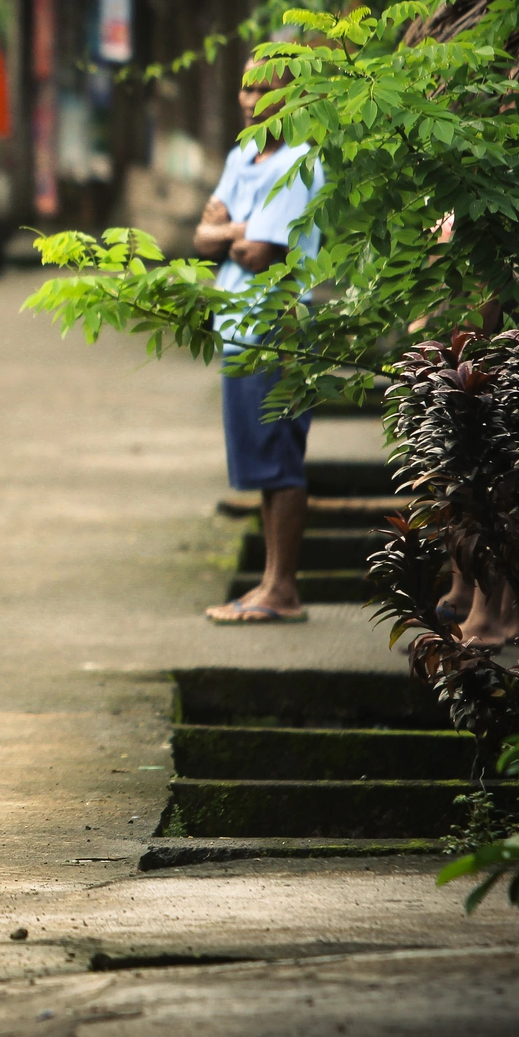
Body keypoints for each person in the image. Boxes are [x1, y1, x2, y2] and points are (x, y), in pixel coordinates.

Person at [198, 61, 323, 625]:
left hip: (277, 326)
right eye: (246, 86)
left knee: (280, 457)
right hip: (237, 325)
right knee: (259, 461)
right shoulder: (241, 158)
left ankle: (283, 588)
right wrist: (238, 230)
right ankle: (270, 583)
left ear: (290, 97)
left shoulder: (300, 162)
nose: (250, 99)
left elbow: (260, 254)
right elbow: (203, 240)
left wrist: (229, 230)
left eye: (264, 89)